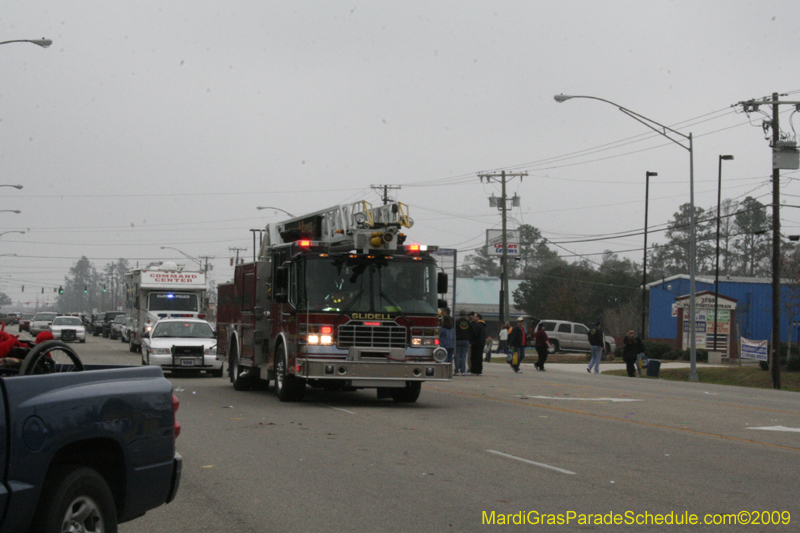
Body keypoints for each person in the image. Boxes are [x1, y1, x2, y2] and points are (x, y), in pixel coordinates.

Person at [454, 311, 471, 376]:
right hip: (466, 340)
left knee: (457, 356)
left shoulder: (456, 322)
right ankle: (463, 370)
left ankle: (456, 371)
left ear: (459, 314)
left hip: (458, 340)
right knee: (463, 356)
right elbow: (472, 331)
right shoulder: (468, 322)